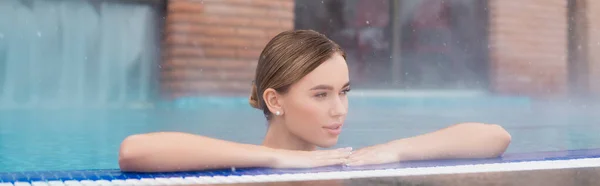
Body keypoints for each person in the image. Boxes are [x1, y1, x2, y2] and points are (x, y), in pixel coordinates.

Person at [118, 30, 511, 172]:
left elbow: (494, 137)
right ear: (275, 100)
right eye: (320, 95)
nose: (339, 110)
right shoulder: (242, 167)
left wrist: (389, 151)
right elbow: (134, 151)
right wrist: (276, 158)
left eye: (343, 92)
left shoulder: (349, 162)